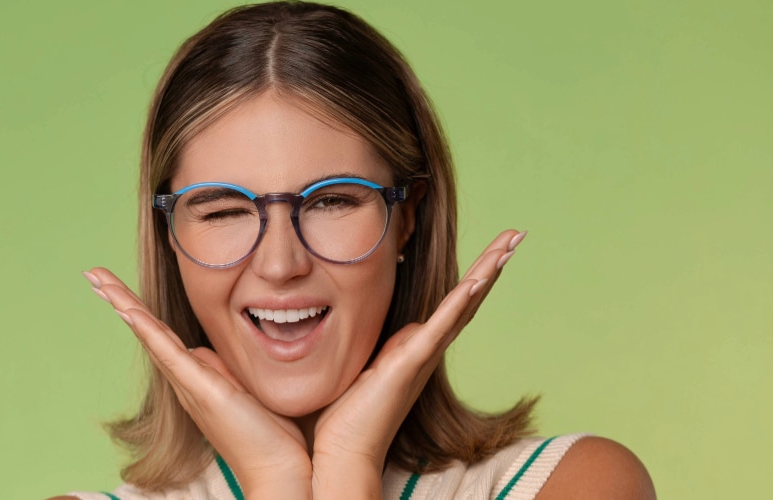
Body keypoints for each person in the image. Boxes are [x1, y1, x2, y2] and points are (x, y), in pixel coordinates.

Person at [54, 2, 655, 498]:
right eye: (225, 211)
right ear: (170, 236)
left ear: (407, 217)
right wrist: (274, 479)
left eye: (331, 202)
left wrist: (349, 464)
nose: (280, 265)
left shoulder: (579, 483)